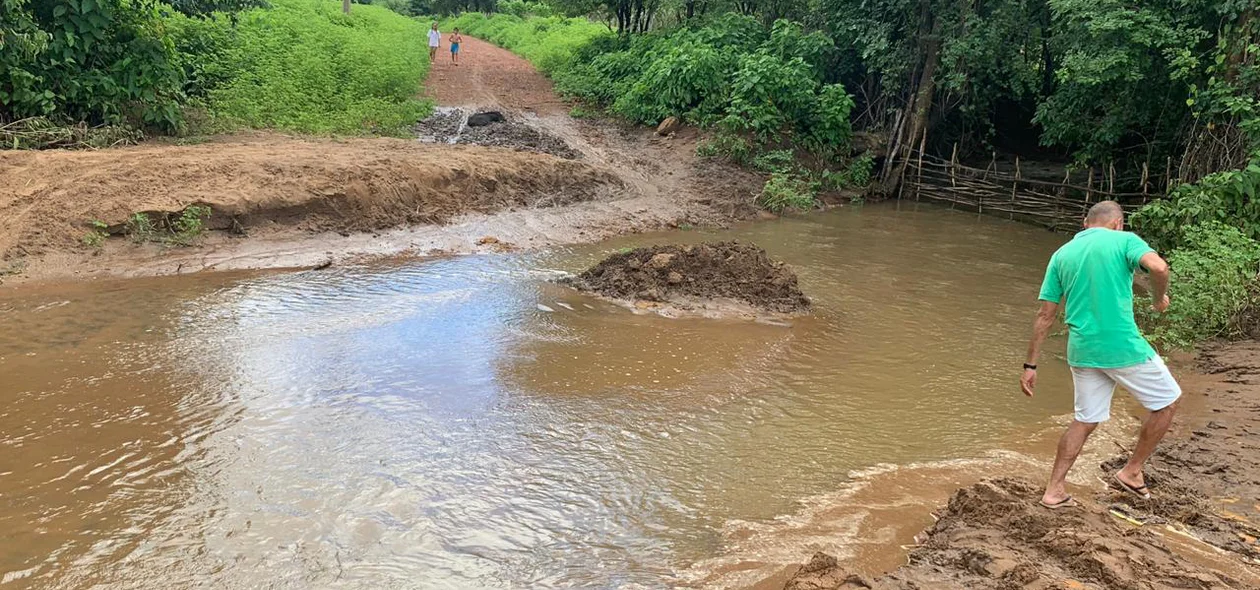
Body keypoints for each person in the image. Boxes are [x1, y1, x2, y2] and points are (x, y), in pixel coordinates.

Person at [1021, 200, 1179, 509]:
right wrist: (1158, 299)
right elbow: (1159, 267)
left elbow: (1045, 315)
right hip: (1121, 345)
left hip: (1081, 350)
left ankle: (1054, 490)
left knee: (1084, 419)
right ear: (1118, 223)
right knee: (1167, 402)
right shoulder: (1125, 240)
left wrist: (1030, 365)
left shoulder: (1062, 254)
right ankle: (1132, 472)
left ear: (1085, 223)